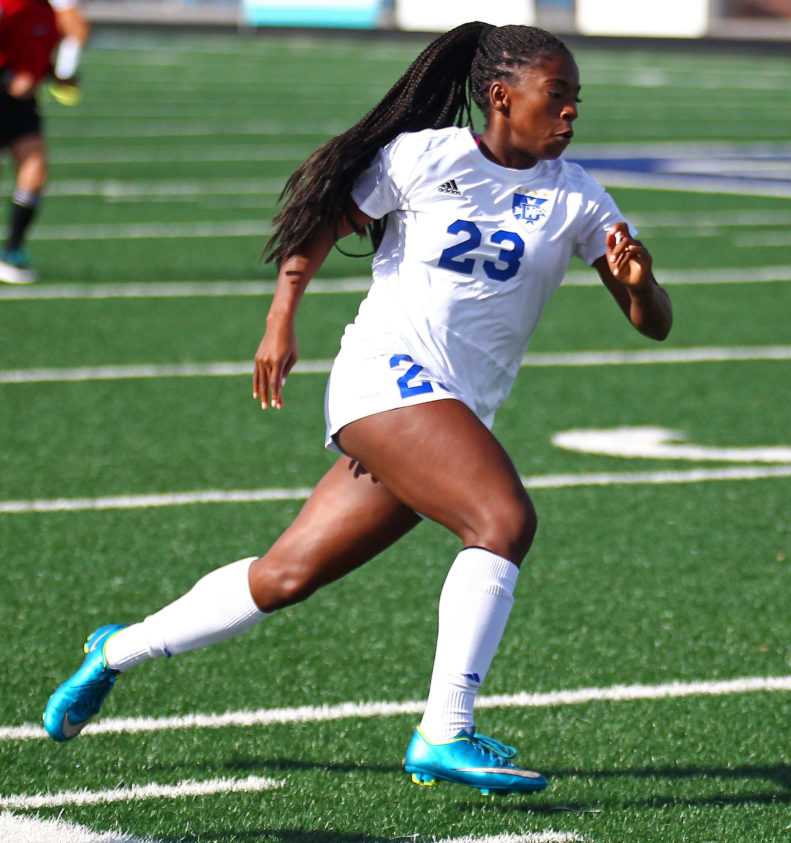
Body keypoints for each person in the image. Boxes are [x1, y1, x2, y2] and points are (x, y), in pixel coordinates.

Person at [43, 22, 672, 795]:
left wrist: (638, 281)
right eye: (559, 96)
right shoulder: (423, 156)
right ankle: (446, 730)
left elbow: (654, 321)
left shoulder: (578, 196)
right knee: (502, 521)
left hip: (448, 415)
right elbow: (317, 219)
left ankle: (117, 650)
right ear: (502, 97)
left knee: (283, 577)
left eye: (578, 99)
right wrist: (281, 319)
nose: (573, 113)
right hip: (385, 381)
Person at [0, 0, 60, 284]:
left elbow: (38, 54)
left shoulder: (46, 11)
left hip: (21, 105)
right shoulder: (10, 5)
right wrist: (8, 77)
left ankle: (12, 251)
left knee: (35, 170)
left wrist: (57, 74)